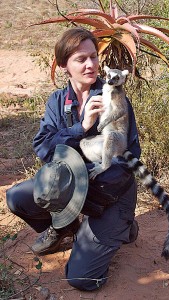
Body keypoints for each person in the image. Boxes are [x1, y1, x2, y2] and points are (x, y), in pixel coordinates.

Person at [6, 27, 141, 291]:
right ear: (65, 65)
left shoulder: (114, 97)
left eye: (93, 56)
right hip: (72, 186)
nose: (91, 65)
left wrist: (87, 192)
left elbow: (129, 156)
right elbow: (43, 148)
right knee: (18, 198)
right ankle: (65, 227)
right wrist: (80, 127)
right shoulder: (57, 101)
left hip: (108, 192)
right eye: (81, 59)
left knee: (83, 280)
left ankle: (122, 225)